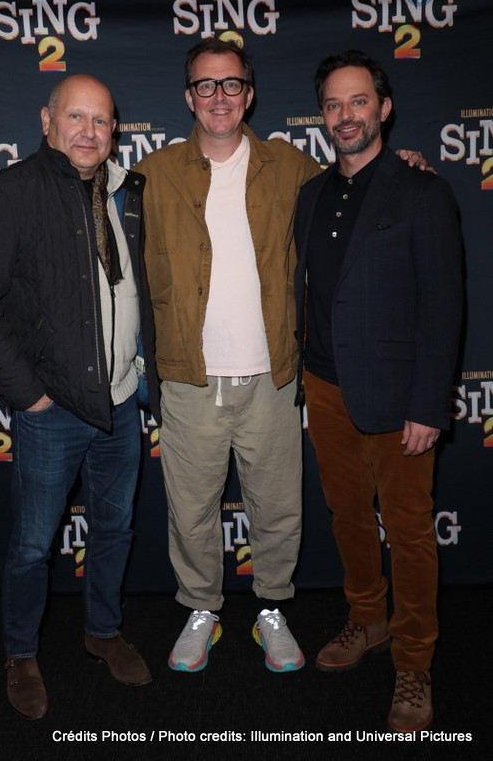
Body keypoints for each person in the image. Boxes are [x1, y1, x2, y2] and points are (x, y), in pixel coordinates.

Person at [134, 37, 427, 675]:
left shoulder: (291, 168)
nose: (219, 96)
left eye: (231, 84)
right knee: (190, 511)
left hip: (273, 376)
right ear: (189, 97)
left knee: (278, 507)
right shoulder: (149, 175)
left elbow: (363, 184)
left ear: (250, 94)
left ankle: (271, 608)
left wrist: (405, 165)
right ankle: (201, 612)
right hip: (188, 379)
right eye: (206, 85)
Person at [0, 74, 160, 719]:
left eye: (101, 121)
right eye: (76, 118)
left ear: (114, 130)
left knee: (114, 528)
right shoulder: (7, 193)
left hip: (122, 404)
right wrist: (30, 397)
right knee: (30, 546)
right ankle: (19, 651)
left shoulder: (129, 190)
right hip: (53, 411)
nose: (89, 132)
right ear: (47, 123)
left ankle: (102, 631)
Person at [294, 50, 462, 732]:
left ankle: (415, 660)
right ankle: (367, 620)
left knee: (412, 533)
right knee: (348, 519)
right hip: (326, 389)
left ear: (383, 108)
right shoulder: (310, 194)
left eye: (358, 101)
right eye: (333, 104)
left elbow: (443, 306)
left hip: (399, 401)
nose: (346, 115)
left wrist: (428, 405)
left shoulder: (422, 190)